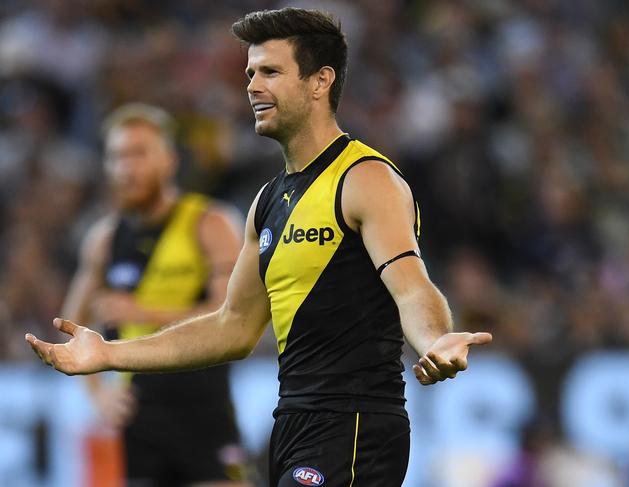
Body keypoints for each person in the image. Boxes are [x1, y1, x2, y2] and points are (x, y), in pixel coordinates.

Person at [27, 8, 493, 486]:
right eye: (250, 72)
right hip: (293, 424)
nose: (251, 85)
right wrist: (110, 354)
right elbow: (232, 326)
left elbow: (412, 288)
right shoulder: (268, 201)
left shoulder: (364, 179)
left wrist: (436, 340)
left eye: (270, 71)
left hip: (354, 424)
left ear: (320, 81)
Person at [59, 103, 250, 487]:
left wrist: (143, 311)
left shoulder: (210, 224)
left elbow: (235, 314)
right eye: (117, 156)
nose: (126, 167)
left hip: (204, 414)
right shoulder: (104, 239)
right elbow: (70, 326)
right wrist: (98, 396)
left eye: (139, 153)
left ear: (170, 160)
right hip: (138, 423)